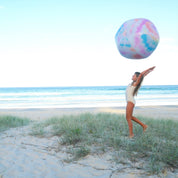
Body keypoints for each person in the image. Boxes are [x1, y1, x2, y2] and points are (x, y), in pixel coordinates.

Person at [125, 66, 156, 138]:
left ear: (137, 78)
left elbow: (141, 75)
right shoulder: (132, 83)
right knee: (130, 117)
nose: (132, 76)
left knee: (128, 118)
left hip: (130, 102)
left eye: (134, 75)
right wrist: (149, 71)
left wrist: (148, 69)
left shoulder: (135, 84)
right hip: (130, 102)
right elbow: (143, 76)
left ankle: (131, 134)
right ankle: (144, 126)